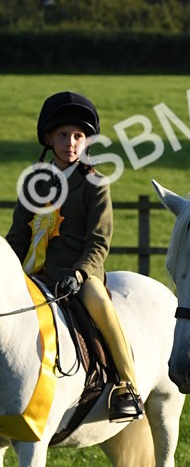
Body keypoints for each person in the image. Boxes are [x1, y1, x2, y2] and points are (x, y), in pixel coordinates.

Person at [7, 90, 144, 421]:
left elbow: (99, 241)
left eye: (78, 136)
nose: (70, 142)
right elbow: (18, 236)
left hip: (79, 275)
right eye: (63, 135)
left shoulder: (95, 184)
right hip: (32, 273)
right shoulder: (34, 183)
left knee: (102, 309)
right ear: (48, 138)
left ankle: (127, 387)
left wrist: (80, 274)